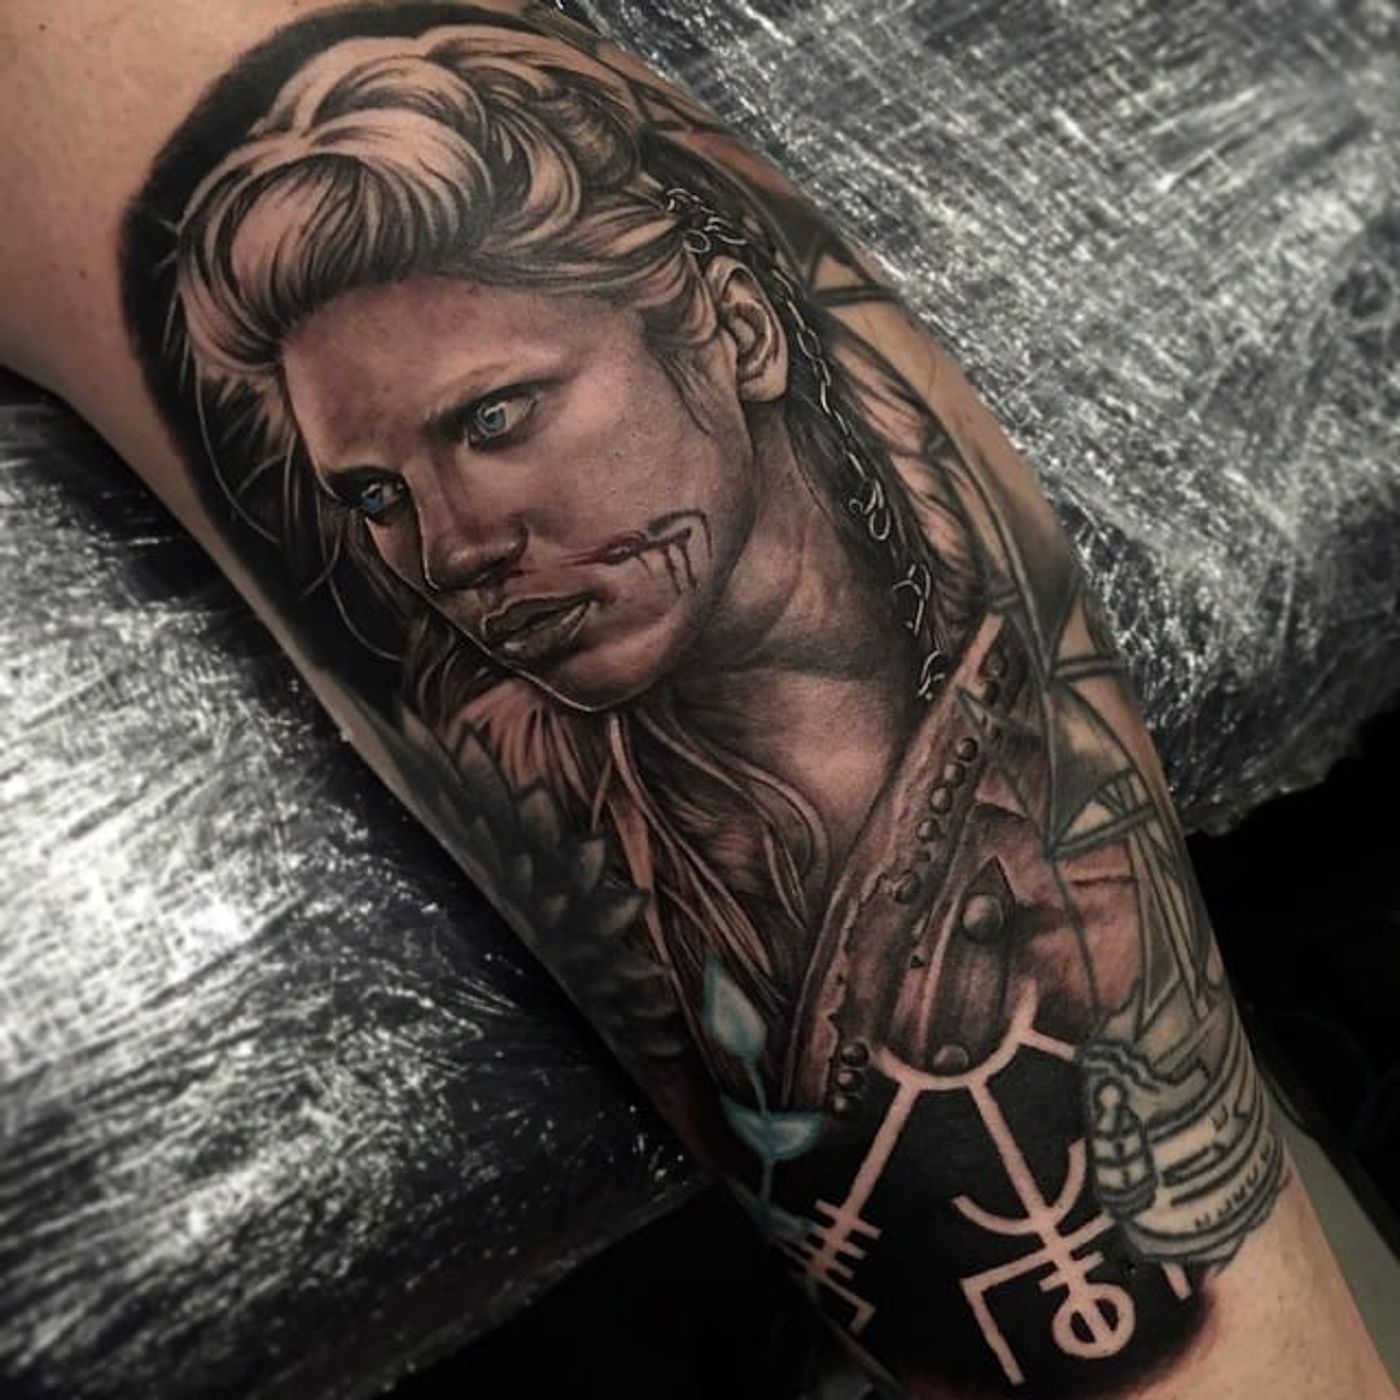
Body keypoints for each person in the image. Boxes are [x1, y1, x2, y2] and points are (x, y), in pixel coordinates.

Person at [0, 4, 1392, 1397]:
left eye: (495, 419)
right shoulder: (638, 841)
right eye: (375, 496)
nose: (449, 551)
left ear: (736, 328)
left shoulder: (983, 722)